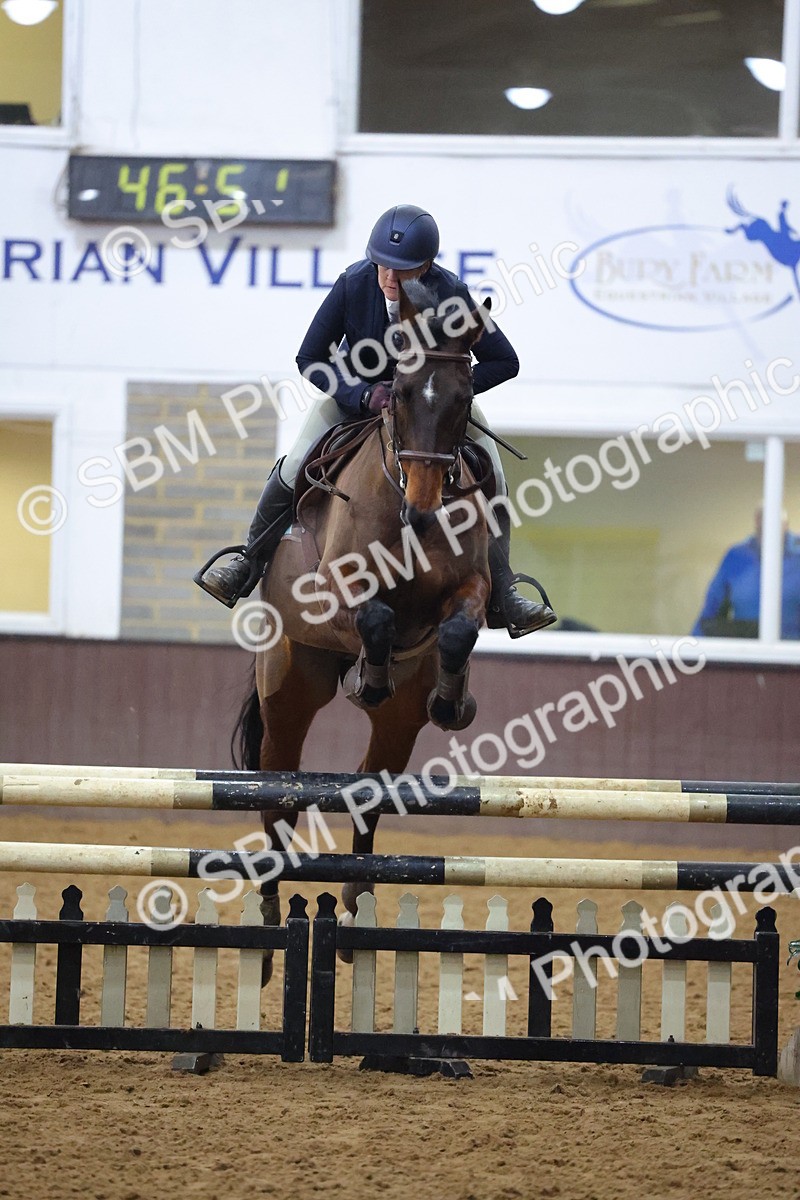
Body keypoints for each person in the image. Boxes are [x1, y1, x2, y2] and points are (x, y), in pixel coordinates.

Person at [197, 203, 556, 637]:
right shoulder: (353, 283)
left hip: (429, 412)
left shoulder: (453, 295)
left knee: (493, 471)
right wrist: (361, 392)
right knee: (294, 465)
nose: (389, 277)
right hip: (355, 401)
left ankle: (504, 595)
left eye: (402, 269)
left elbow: (506, 361)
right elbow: (309, 357)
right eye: (382, 265)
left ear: (426, 266)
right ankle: (247, 562)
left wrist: (445, 398)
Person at [692, 508, 800, 639]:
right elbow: (712, 607)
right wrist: (692, 648)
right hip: (747, 649)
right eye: (761, 524)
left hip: (792, 651)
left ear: (786, 525)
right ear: (756, 524)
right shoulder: (737, 555)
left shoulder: (797, 555)